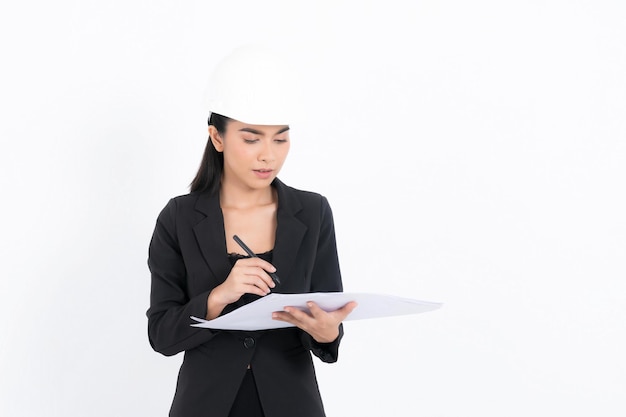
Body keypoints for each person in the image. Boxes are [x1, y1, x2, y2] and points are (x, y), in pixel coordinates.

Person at [146, 45, 357, 417]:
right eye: (251, 138)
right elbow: (162, 336)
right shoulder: (178, 217)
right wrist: (220, 295)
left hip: (292, 403)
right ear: (217, 138)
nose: (268, 155)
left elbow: (328, 326)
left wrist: (326, 332)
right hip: (205, 404)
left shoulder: (312, 211)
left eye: (280, 138)